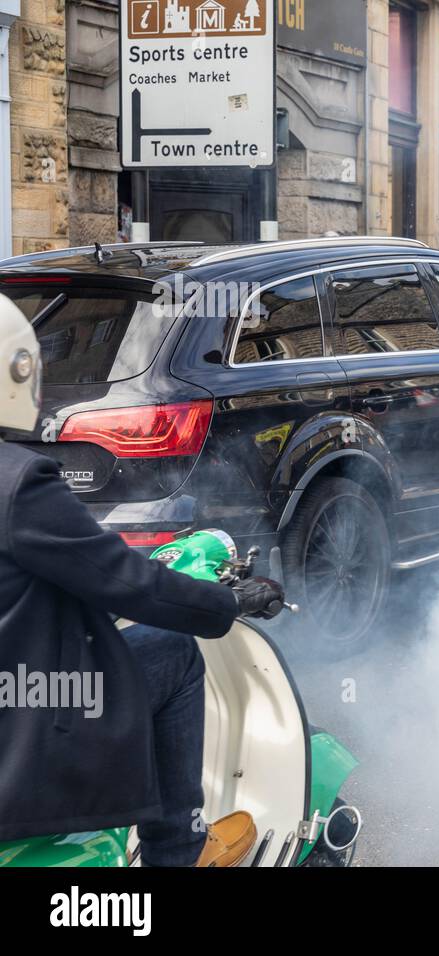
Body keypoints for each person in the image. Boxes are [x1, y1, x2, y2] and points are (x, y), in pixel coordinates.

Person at [0, 297, 286, 865]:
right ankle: (178, 847)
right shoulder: (19, 482)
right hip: (23, 726)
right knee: (173, 650)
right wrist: (225, 601)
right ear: (20, 373)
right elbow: (126, 582)